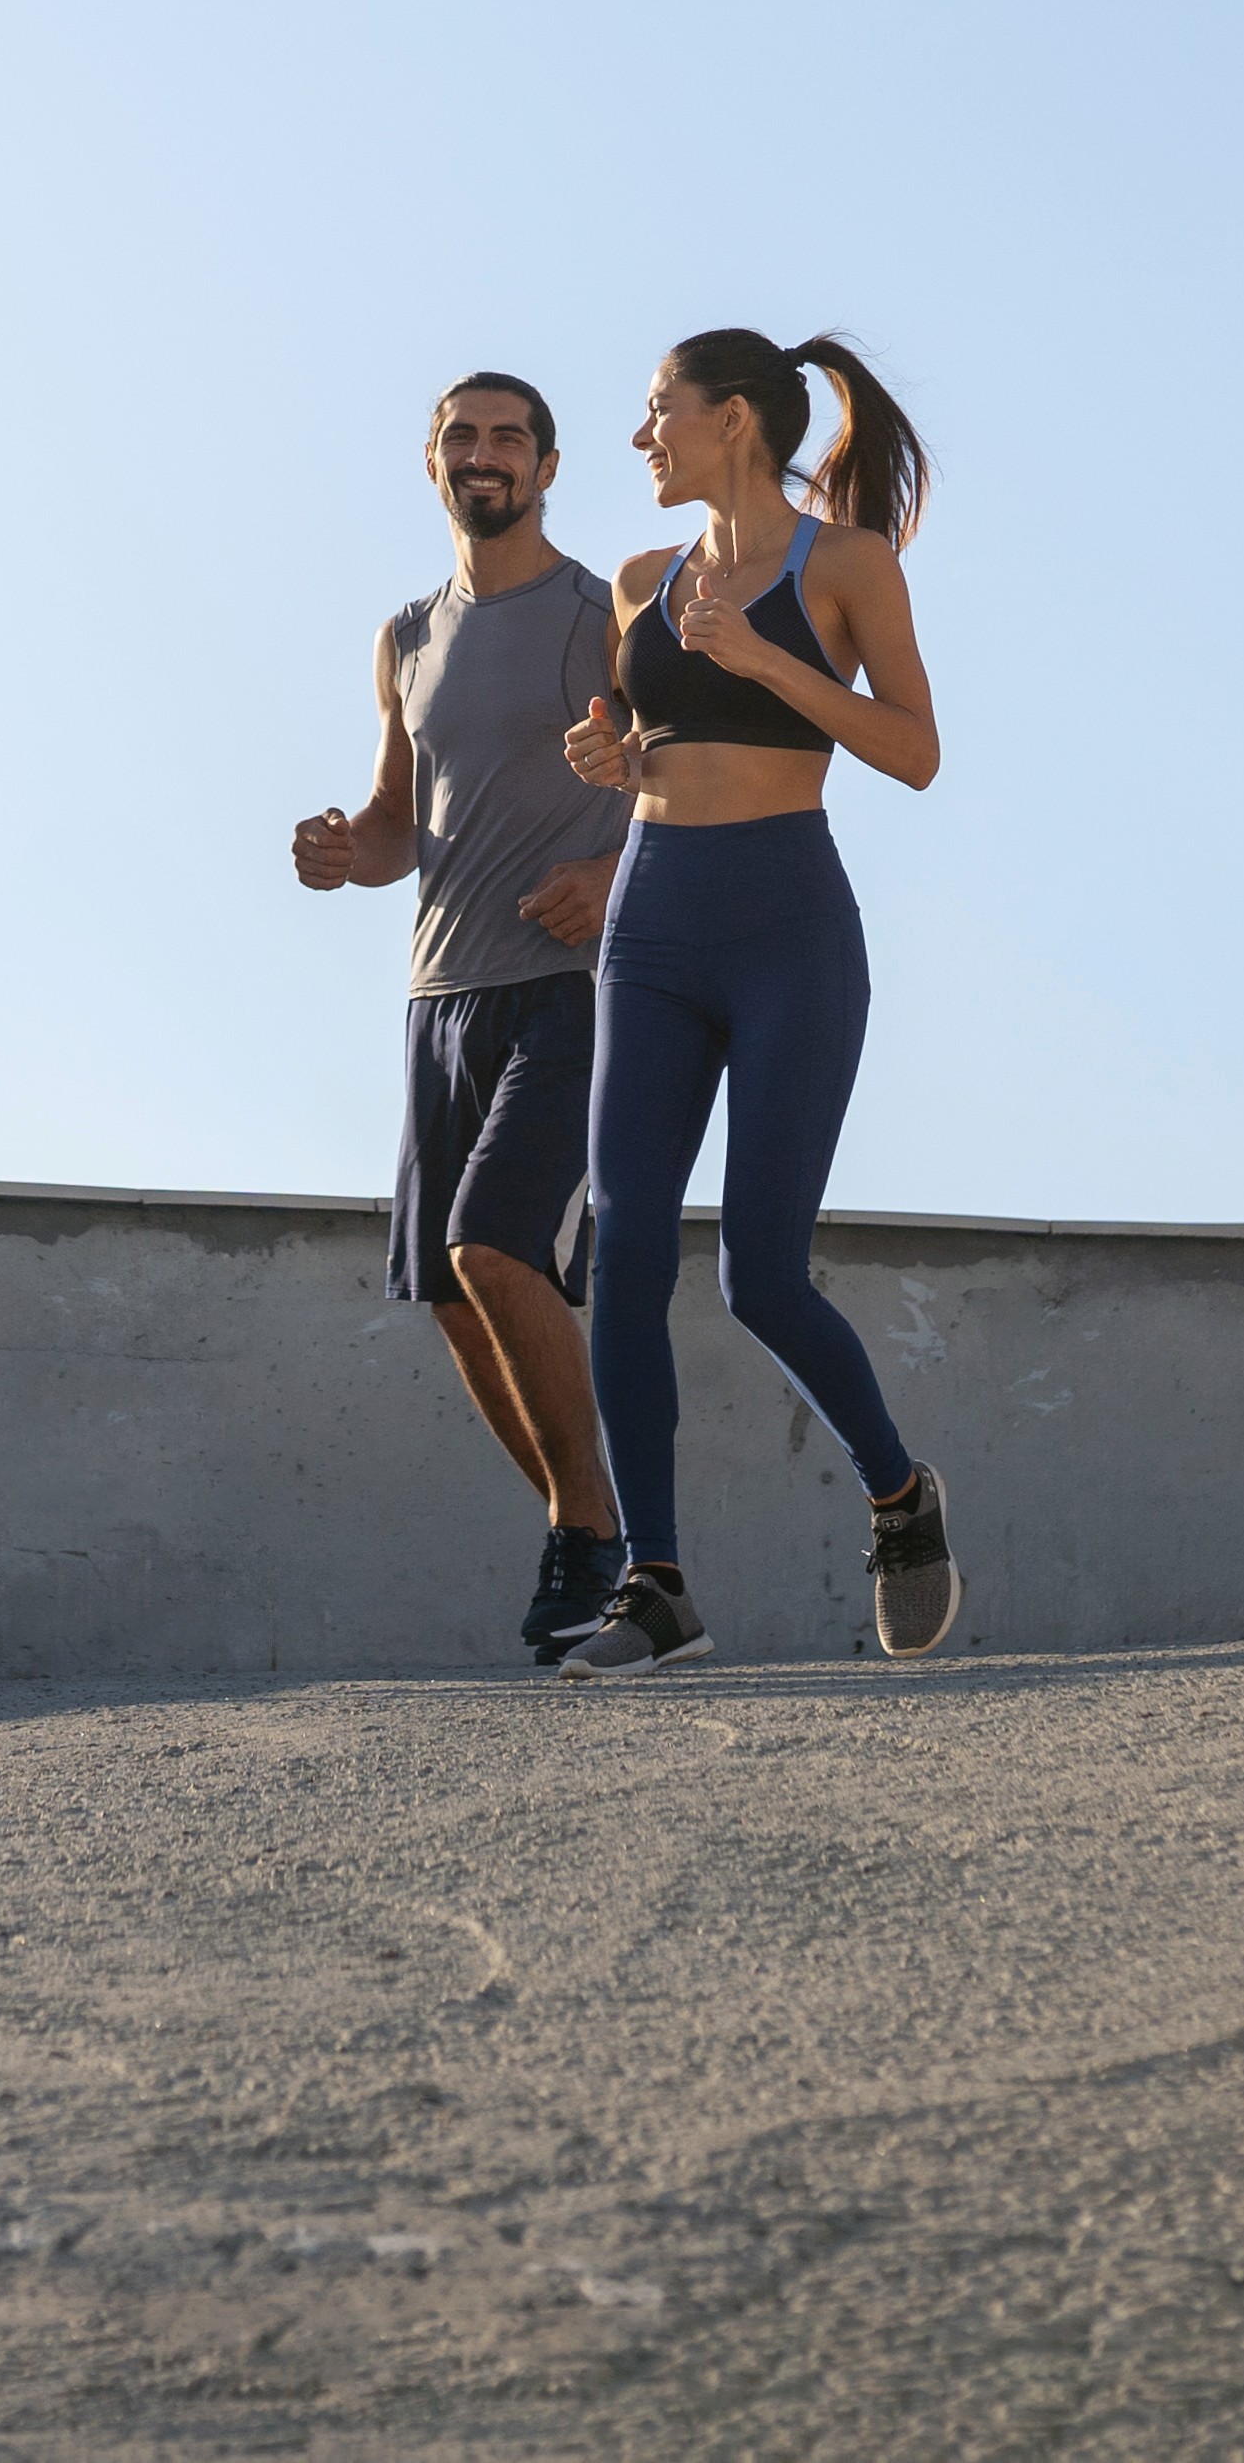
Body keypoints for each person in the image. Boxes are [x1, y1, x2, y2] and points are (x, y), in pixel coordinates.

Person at [545, 331, 962, 1676]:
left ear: (732, 419)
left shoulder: (844, 565)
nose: (640, 437)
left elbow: (914, 752)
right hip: (654, 924)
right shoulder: (635, 580)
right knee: (624, 1251)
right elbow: (643, 738)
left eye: (656, 411)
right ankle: (654, 1582)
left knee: (762, 1277)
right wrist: (612, 758)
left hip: (789, 926)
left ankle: (899, 1496)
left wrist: (769, 661)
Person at [293, 373, 637, 1664]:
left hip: (577, 989)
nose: (483, 456)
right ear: (432, 462)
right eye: (462, 438)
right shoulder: (406, 634)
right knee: (448, 1286)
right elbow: (400, 823)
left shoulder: (604, 613)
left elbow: (692, 772)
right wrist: (347, 847)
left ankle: (596, 1535)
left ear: (548, 466)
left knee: (499, 1246)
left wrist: (611, 879)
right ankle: (578, 1525)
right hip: (441, 993)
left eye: (508, 438)